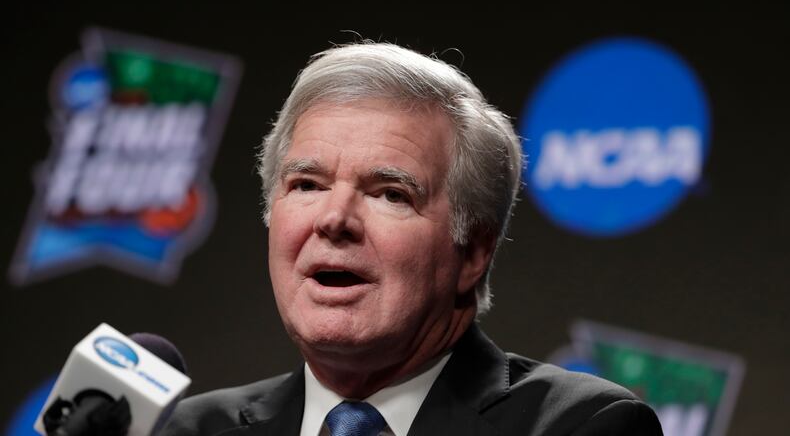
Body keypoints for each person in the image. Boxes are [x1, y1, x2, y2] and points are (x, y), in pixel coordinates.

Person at [162, 42, 663, 436]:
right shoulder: (191, 430)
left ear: (475, 251)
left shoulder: (582, 426)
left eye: (391, 194)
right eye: (306, 185)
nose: (334, 218)